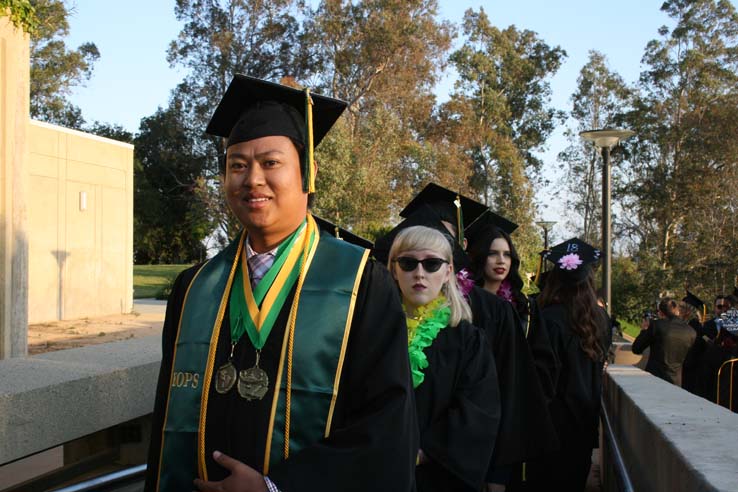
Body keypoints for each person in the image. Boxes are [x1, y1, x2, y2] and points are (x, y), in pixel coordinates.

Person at [145, 75, 418, 492]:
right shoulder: (194, 287)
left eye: (271, 163)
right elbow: (167, 417)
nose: (252, 179)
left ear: (308, 172)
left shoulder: (361, 282)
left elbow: (387, 429)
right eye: (237, 165)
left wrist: (276, 488)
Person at [388, 225, 500, 492]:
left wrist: (423, 452)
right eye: (408, 263)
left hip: (439, 476)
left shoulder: (468, 340)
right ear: (393, 269)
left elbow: (477, 411)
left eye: (432, 264)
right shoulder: (374, 332)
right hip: (380, 471)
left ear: (448, 271)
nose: (419, 273)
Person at [526, 238, 611, 492]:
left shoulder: (546, 318)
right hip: (584, 423)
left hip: (551, 425)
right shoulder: (601, 320)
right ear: (588, 282)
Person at [632, 298, 696, 386]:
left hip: (654, 380)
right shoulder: (691, 332)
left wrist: (644, 330)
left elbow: (636, 348)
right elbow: (690, 360)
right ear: (677, 311)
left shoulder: (656, 325)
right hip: (676, 382)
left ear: (661, 313)